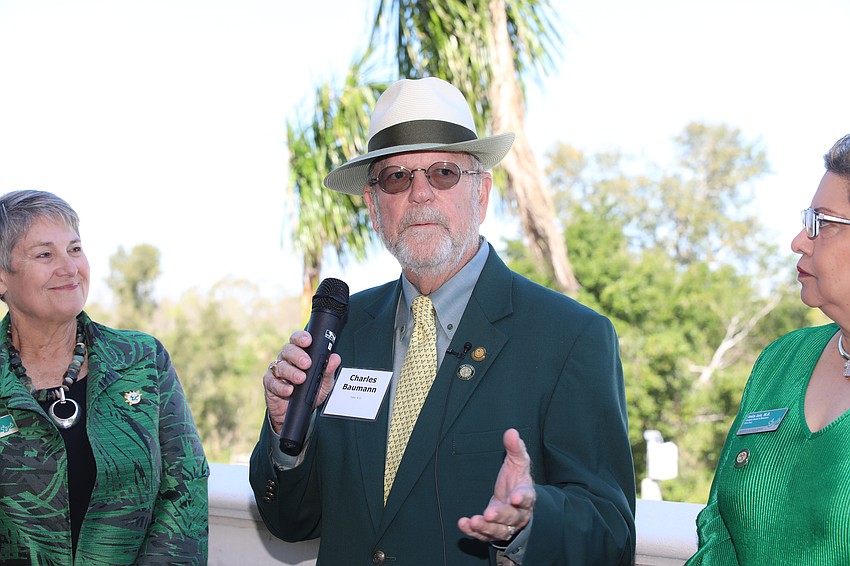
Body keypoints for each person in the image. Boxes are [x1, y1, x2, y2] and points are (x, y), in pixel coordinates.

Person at [249, 77, 635, 565]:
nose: (420, 193)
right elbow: (291, 521)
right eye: (396, 177)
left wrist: (528, 523)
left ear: (482, 193)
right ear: (373, 206)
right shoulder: (341, 331)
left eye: (444, 172)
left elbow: (611, 536)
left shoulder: (570, 337)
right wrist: (289, 436)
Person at [0, 190, 209, 564]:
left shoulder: (142, 360)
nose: (69, 267)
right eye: (45, 254)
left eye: (75, 249)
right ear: (2, 278)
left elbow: (185, 484)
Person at [685, 133, 850, 566]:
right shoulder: (782, 361)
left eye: (823, 223)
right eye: (807, 220)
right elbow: (719, 534)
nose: (799, 240)